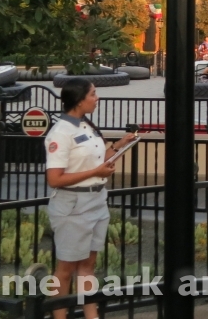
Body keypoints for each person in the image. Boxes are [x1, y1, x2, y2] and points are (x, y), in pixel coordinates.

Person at [44, 79, 137, 319]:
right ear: (79, 99)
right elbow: (55, 179)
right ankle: (59, 316)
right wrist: (96, 173)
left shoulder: (86, 125)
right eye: (93, 94)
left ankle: (91, 315)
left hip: (96, 201)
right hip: (73, 205)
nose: (97, 98)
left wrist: (118, 146)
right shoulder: (61, 132)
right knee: (65, 269)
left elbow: (97, 161)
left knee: (88, 265)